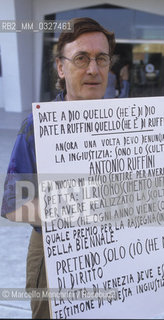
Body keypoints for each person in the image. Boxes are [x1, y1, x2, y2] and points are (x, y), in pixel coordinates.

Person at [1, 17, 115, 319]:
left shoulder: (125, 122)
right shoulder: (37, 126)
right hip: (54, 253)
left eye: (101, 59)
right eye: (81, 58)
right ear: (61, 68)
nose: (93, 69)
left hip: (114, 250)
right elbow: (14, 205)